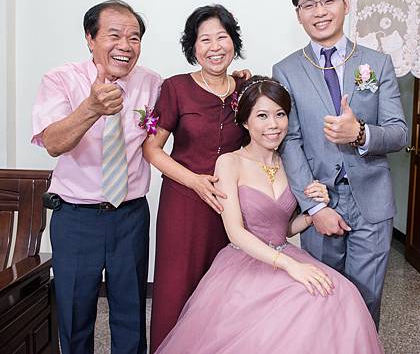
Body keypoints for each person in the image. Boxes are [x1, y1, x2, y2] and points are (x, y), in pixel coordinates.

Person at [154, 76, 383, 354]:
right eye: (262, 116)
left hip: (284, 252)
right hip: (246, 262)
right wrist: (290, 266)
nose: (273, 124)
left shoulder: (290, 164)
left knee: (342, 293)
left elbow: (282, 229)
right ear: (245, 121)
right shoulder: (229, 162)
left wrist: (312, 212)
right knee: (290, 315)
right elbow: (235, 233)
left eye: (280, 114)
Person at [272, 0, 408, 328]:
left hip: (372, 201)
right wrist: (315, 207)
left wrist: (359, 133)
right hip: (320, 198)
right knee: (322, 296)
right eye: (308, 5)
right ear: (298, 14)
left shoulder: (377, 63)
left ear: (345, 4)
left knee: (366, 298)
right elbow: (290, 140)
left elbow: (398, 133)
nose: (319, 11)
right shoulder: (286, 70)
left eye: (328, 1)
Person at [31, 0, 161, 354]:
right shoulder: (60, 79)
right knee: (75, 314)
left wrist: (235, 82)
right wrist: (90, 108)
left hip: (130, 216)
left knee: (131, 314)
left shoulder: (152, 84)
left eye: (134, 38)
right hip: (76, 218)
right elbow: (53, 144)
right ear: (90, 39)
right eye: (114, 35)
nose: (125, 46)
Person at [143, 4, 249, 351]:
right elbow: (151, 149)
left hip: (229, 206)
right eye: (205, 39)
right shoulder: (175, 88)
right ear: (193, 47)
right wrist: (194, 181)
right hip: (184, 203)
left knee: (223, 288)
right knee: (176, 288)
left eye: (222, 37)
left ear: (234, 42)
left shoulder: (246, 90)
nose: (215, 47)